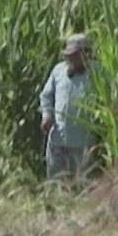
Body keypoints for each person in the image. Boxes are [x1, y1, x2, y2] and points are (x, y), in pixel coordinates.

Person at [39, 33, 98, 183]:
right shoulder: (58, 70)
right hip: (57, 139)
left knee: (81, 185)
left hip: (82, 141)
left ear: (86, 53)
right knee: (55, 183)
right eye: (68, 55)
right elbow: (46, 95)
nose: (69, 59)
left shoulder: (98, 72)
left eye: (74, 55)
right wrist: (46, 115)